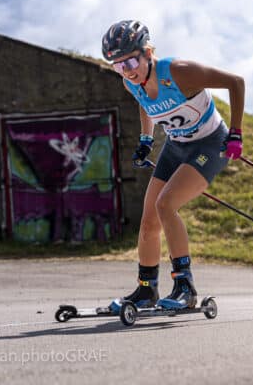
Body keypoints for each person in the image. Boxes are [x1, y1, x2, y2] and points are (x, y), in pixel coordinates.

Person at [101, 20, 245, 311]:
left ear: (148, 51)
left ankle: (185, 287)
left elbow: (236, 82)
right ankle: (146, 290)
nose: (126, 70)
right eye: (118, 65)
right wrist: (145, 139)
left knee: (165, 205)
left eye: (130, 60)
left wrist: (236, 133)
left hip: (209, 143)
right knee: (148, 220)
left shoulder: (179, 71)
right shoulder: (131, 80)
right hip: (176, 145)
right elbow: (144, 101)